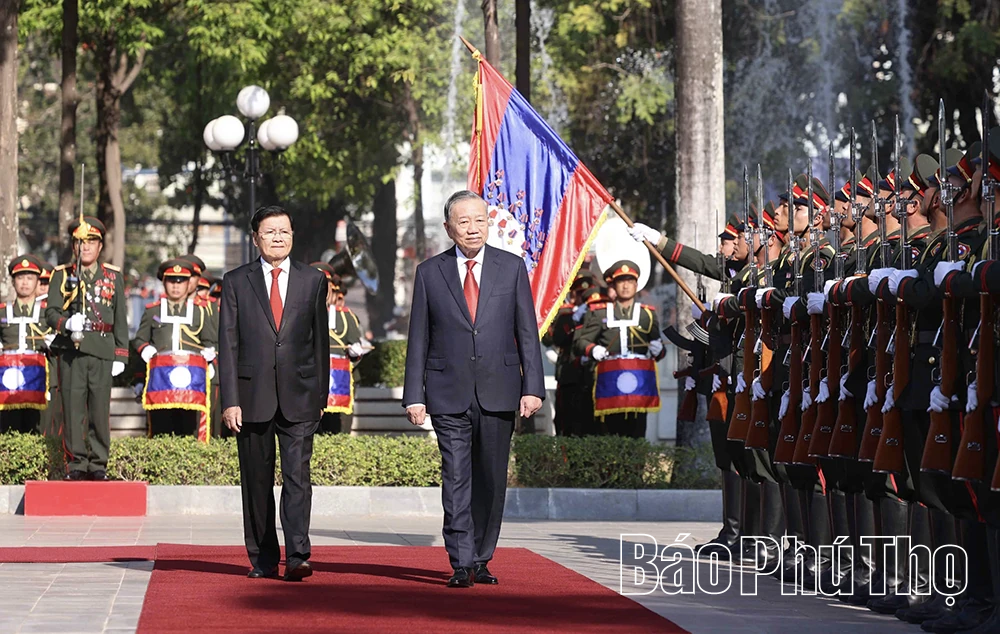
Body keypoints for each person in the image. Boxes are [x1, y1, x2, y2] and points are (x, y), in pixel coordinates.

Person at [402, 190, 544, 588]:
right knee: (457, 477)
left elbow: (526, 334)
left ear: (489, 223)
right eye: (463, 221)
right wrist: (415, 393)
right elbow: (419, 338)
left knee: (491, 478)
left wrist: (532, 387)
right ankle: (461, 561)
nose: (473, 228)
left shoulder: (511, 268)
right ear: (449, 227)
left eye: (479, 220)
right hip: (448, 392)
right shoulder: (430, 272)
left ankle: (483, 556)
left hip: (499, 390)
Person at [219, 205, 330, 581]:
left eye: (284, 231)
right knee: (256, 480)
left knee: (298, 477)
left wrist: (321, 396)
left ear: (293, 236)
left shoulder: (313, 280)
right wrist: (229, 399)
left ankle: (298, 555)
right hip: (251, 397)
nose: (278, 238)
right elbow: (228, 344)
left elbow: (320, 345)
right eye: (270, 232)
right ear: (256, 238)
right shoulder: (236, 281)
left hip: (300, 395)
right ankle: (263, 559)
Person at [46, 217, 129, 481]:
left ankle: (98, 464)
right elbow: (50, 313)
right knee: (72, 408)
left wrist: (121, 353)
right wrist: (66, 322)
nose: (86, 248)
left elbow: (120, 317)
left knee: (99, 409)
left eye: (91, 242)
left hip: (102, 349)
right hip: (72, 351)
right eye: (80, 242)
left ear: (100, 245)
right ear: (73, 246)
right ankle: (76, 463)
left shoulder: (112, 276)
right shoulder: (62, 275)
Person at [573, 259, 665, 439]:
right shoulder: (600, 313)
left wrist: (658, 350)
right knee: (609, 435)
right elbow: (580, 342)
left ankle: (636, 467)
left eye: (630, 281)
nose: (626, 286)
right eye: (621, 281)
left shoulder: (648, 314)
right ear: (613, 285)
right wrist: (593, 349)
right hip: (609, 383)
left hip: (639, 385)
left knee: (637, 433)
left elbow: (658, 351)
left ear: (636, 285)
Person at [133, 258, 218, 438]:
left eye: (181, 281)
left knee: (189, 429)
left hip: (191, 382)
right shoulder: (152, 311)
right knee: (160, 428)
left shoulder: (200, 311)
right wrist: (145, 349)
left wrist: (209, 354)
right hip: (160, 381)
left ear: (189, 284)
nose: (176, 286)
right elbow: (139, 339)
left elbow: (211, 341)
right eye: (171, 281)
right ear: (163, 282)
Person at [311, 262, 368, 434]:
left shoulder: (345, 316)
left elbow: (356, 350)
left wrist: (355, 352)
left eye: (324, 286)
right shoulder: (296, 316)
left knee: (338, 433)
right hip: (308, 385)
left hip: (338, 387)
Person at [0, 254, 53, 434]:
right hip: (7, 383)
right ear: (13, 282)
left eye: (30, 278)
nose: (25, 283)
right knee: (8, 430)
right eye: (20, 278)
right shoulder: (2, 311)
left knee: (38, 430)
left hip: (39, 381)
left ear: (38, 282)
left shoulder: (48, 313)